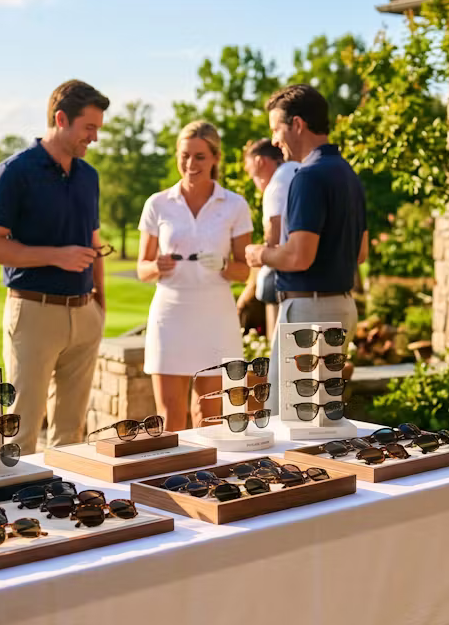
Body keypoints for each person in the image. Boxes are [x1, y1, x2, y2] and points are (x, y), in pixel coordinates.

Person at [0, 79, 110, 454]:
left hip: (85, 313)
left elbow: (94, 242)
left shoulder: (89, 176)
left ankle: (68, 494)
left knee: (73, 436)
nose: (95, 138)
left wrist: (100, 303)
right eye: (89, 127)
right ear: (61, 118)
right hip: (34, 314)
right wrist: (57, 255)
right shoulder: (14, 172)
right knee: (22, 433)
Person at [244, 84, 367, 415]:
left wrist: (260, 254)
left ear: (297, 124)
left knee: (287, 419)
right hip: (341, 308)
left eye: (276, 129)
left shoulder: (308, 176)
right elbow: (360, 253)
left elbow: (299, 256)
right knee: (317, 421)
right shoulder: (349, 175)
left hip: (308, 314)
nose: (274, 140)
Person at [137, 121, 254, 431]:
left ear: (215, 158)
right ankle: (170, 466)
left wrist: (223, 265)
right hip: (170, 316)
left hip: (215, 317)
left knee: (209, 417)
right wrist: (157, 266)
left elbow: (245, 271)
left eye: (200, 156)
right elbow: (142, 268)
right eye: (185, 155)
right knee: (169, 417)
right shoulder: (157, 204)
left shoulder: (235, 205)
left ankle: (206, 466)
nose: (191, 164)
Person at [239, 138, 299, 341]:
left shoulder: (276, 185)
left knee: (280, 352)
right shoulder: (301, 173)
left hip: (286, 286)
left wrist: (256, 253)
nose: (252, 179)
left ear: (259, 162)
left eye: (250, 172)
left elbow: (273, 243)